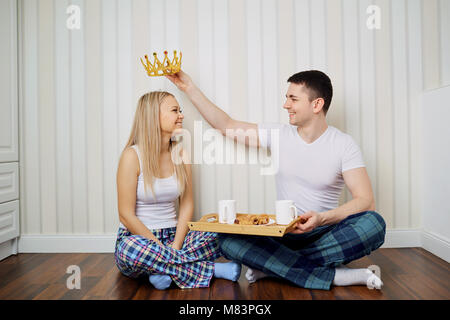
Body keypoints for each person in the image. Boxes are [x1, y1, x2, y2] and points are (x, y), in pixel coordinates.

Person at [166, 70, 386, 290]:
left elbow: (366, 201)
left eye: (293, 99)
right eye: (287, 98)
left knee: (374, 224)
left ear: (316, 104)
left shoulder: (344, 145)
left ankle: (272, 267)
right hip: (282, 234)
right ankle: (334, 276)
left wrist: (322, 218)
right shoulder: (278, 134)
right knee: (226, 240)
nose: (286, 105)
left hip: (324, 233)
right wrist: (189, 88)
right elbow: (227, 126)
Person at [114, 91, 241, 290]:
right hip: (140, 239)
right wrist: (157, 246)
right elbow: (126, 215)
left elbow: (187, 204)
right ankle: (213, 270)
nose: (181, 115)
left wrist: (175, 245)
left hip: (176, 236)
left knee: (219, 234)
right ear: (153, 115)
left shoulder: (181, 154)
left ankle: (161, 270)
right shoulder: (132, 156)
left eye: (180, 110)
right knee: (130, 250)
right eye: (175, 111)